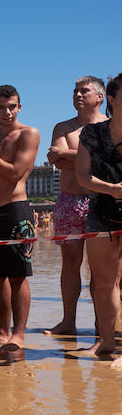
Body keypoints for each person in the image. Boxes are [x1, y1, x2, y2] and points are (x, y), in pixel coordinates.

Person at [45, 77, 108, 335]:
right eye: (75, 91)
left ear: (100, 97)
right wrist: (95, 156)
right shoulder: (63, 127)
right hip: (69, 201)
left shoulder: (112, 126)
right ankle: (68, 321)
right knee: (70, 263)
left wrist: (72, 156)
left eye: (84, 91)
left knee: (101, 268)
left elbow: (110, 161)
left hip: (101, 201)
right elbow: (55, 159)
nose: (78, 95)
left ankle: (100, 324)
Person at [0, 85, 39, 349]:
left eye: (12, 106)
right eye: (1, 107)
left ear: (20, 107)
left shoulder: (28, 134)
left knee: (17, 276)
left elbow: (15, 172)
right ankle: (1, 329)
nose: (7, 112)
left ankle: (19, 333)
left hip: (15, 209)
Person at [75, 73, 122, 358]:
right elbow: (82, 175)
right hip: (101, 213)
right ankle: (107, 341)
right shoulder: (91, 134)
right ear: (113, 100)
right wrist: (111, 189)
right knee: (104, 285)